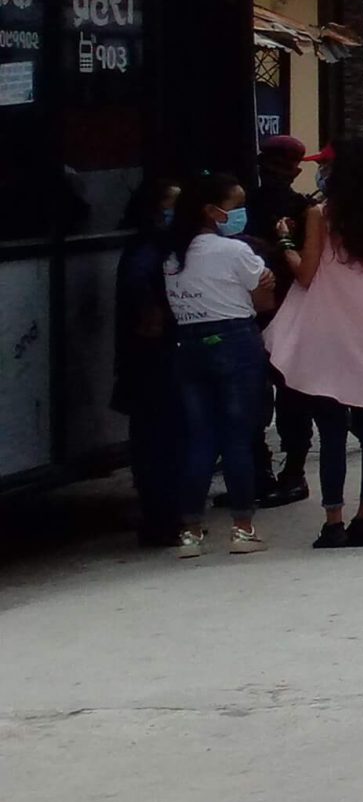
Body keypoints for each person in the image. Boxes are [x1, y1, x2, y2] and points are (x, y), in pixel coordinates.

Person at [266, 134, 363, 549]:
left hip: (331, 328)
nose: (320, 173)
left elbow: (306, 274)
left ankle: (333, 521)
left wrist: (285, 241)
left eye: (324, 166)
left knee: (331, 429)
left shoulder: (321, 214)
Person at [163, 172, 277, 557]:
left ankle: (190, 532)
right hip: (235, 340)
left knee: (200, 438)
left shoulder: (172, 256)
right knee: (237, 437)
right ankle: (242, 528)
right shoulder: (236, 252)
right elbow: (263, 302)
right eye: (235, 206)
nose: (240, 213)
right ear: (212, 212)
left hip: (189, 343)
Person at [247, 134, 318, 507]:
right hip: (261, 309)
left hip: (283, 309)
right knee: (270, 396)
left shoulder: (302, 210)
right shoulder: (256, 203)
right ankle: (267, 472)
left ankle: (289, 473)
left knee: (287, 396)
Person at [113, 175, 182, 547]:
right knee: (159, 440)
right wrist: (153, 317)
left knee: (154, 439)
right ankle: (162, 518)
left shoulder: (152, 246)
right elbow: (140, 289)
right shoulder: (149, 249)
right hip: (152, 360)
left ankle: (161, 514)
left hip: (147, 359)